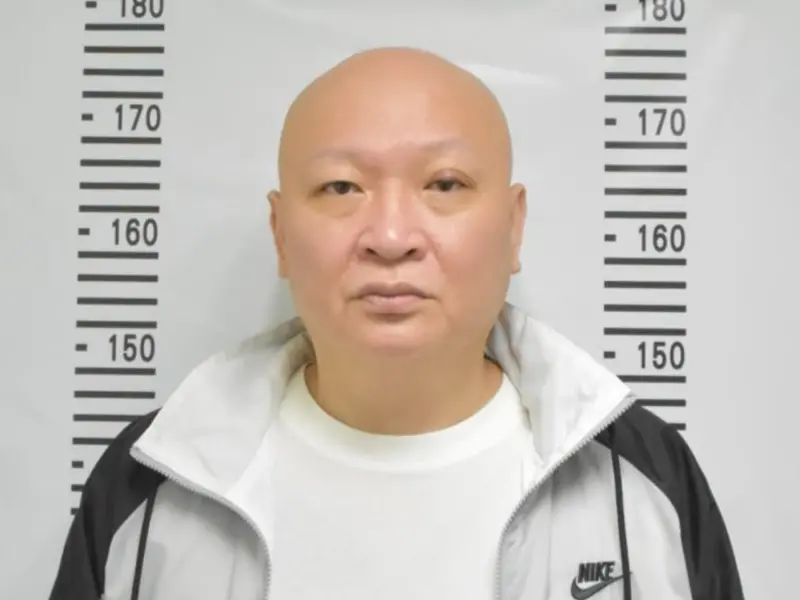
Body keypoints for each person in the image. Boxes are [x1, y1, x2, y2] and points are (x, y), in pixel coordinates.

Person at [48, 47, 744, 600]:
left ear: (513, 227)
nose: (389, 236)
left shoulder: (642, 478)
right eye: (341, 187)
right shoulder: (151, 485)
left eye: (444, 184)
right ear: (281, 233)